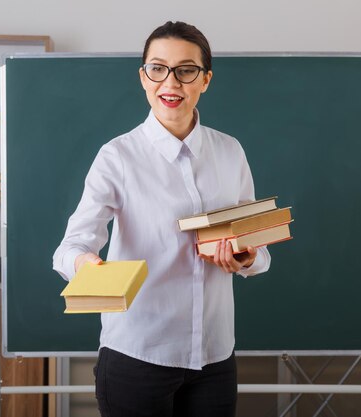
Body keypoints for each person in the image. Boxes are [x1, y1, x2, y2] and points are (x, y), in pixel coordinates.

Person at [53, 21, 271, 417]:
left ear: (205, 80)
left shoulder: (230, 152)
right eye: (158, 68)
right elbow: (69, 249)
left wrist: (245, 257)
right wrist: (86, 264)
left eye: (186, 70)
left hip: (214, 357)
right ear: (143, 77)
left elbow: (258, 246)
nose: (170, 82)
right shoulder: (117, 157)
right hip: (138, 354)